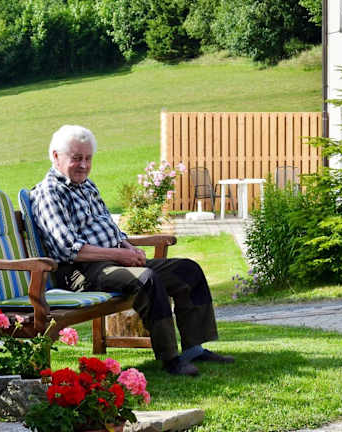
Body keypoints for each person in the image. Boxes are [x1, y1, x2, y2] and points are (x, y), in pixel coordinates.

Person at [30, 125, 234, 376]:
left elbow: (111, 229)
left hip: (112, 262)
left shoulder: (86, 186)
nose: (83, 165)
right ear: (56, 156)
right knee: (146, 279)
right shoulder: (50, 192)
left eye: (88, 158)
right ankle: (171, 358)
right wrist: (120, 255)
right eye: (76, 158)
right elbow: (69, 249)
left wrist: (129, 248)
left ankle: (194, 349)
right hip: (80, 272)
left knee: (187, 270)